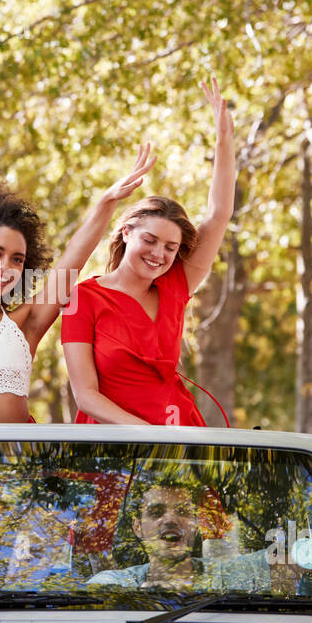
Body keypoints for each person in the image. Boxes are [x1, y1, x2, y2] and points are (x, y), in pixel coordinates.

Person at [0, 151, 154, 424]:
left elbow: (71, 262)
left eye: (17, 259)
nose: (5, 266)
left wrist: (106, 202)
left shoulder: (25, 322)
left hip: (24, 460)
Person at [61, 78, 235, 426]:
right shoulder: (81, 297)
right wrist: (149, 435)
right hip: (113, 449)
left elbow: (218, 215)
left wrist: (224, 141)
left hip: (177, 440)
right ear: (126, 232)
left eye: (171, 247)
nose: (159, 254)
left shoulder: (175, 285)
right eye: (150, 240)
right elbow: (86, 395)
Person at [86, 481, 270, 591]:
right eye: (156, 512)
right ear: (137, 526)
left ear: (197, 524)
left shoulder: (229, 575)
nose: (171, 519)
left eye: (182, 512)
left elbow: (292, 564)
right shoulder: (113, 584)